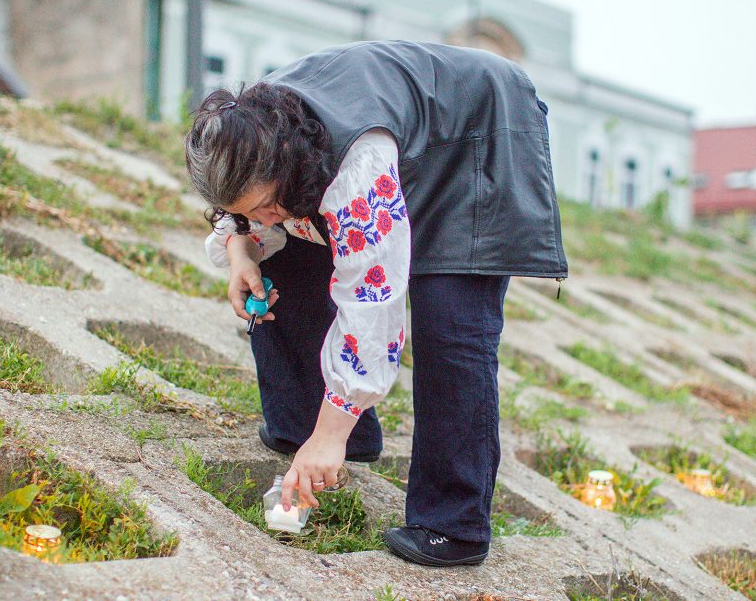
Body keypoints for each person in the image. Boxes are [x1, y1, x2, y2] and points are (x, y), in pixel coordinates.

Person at [185, 40, 568, 567]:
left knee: (451, 327)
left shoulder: (355, 166)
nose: (267, 216)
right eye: (250, 209)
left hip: (474, 135)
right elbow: (250, 213)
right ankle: (315, 430)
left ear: (286, 163)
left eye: (268, 204)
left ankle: (451, 523)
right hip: (397, 133)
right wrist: (240, 250)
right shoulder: (247, 136)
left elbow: (372, 302)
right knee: (282, 257)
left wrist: (331, 430)